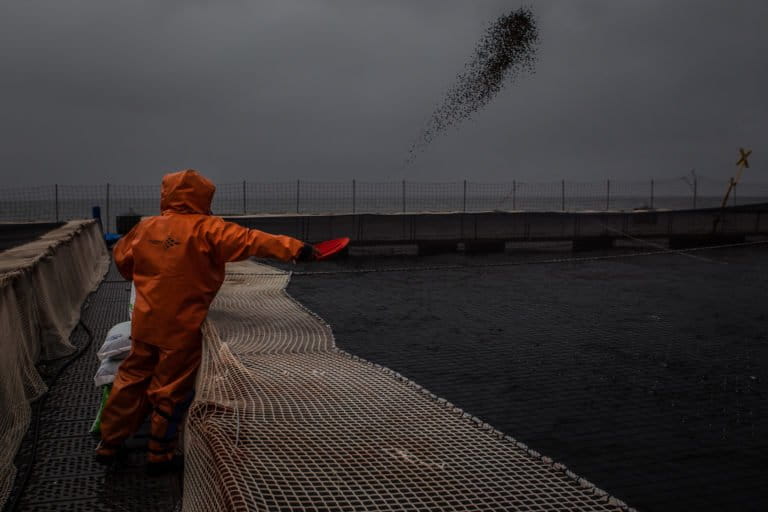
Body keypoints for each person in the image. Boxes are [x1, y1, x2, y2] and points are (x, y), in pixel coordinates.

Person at [95, 169, 317, 474]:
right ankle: (159, 455)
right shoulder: (209, 229)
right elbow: (253, 241)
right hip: (181, 327)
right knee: (169, 390)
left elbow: (123, 260)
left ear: (167, 195)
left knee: (130, 379)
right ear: (203, 197)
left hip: (145, 322)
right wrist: (298, 249)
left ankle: (109, 444)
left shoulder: (144, 228)